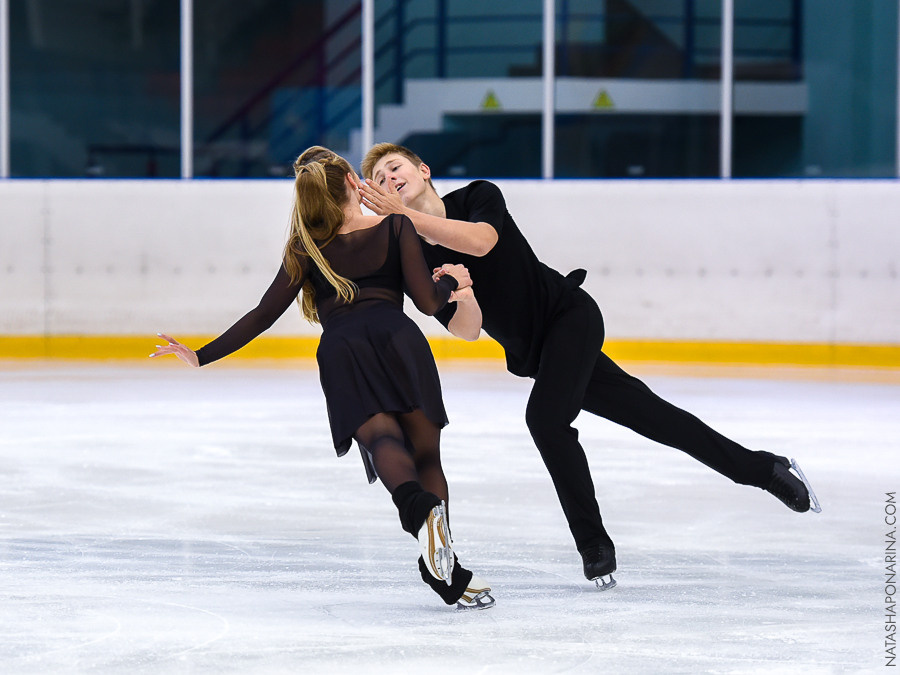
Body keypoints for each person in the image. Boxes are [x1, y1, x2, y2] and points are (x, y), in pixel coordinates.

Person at [359, 142, 822, 591]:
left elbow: (481, 243)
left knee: (544, 419)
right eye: (379, 179)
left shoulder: (479, 195)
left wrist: (406, 218)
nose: (389, 179)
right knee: (657, 418)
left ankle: (593, 544)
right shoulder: (412, 258)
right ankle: (765, 469)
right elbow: (467, 330)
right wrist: (464, 295)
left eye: (396, 168)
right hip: (537, 355)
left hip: (570, 318)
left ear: (424, 171)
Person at [151, 146, 495, 611]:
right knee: (427, 456)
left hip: (342, 350)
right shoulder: (396, 226)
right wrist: (454, 281)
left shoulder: (306, 246)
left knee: (382, 443)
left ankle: (421, 517)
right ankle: (446, 565)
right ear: (354, 184)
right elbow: (430, 303)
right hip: (398, 340)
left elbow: (263, 314)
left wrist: (201, 355)